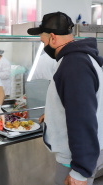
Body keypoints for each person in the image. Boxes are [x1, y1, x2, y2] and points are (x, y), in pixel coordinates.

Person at [28, 11, 103, 185]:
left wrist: (79, 171)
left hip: (74, 159)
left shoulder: (74, 65)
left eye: (43, 41)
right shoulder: (79, 58)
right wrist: (54, 115)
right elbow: (80, 103)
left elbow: (82, 119)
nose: (44, 46)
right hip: (86, 151)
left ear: (53, 37)